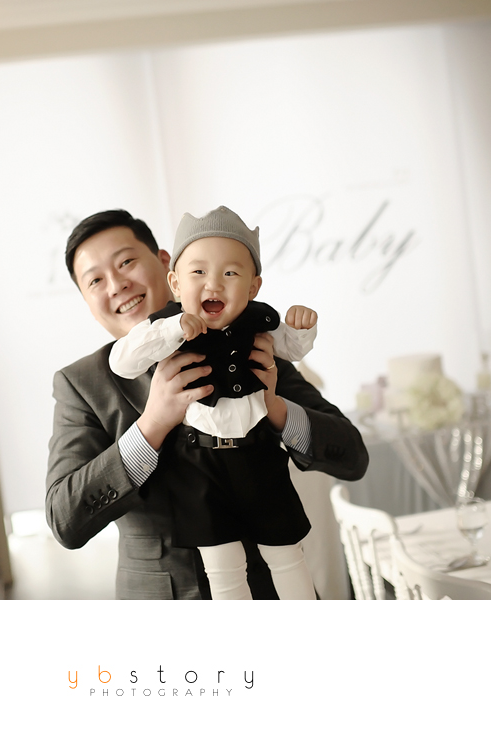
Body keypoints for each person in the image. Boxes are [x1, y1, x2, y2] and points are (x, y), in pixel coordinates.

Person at [46, 208, 368, 600]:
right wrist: (151, 427)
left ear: (166, 264)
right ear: (87, 300)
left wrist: (274, 406)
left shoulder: (249, 342)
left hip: (268, 590)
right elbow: (64, 520)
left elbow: (352, 457)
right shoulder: (81, 383)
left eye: (126, 262)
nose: (117, 285)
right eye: (95, 280)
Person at [108, 206, 319, 599]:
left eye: (231, 274)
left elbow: (292, 348)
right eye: (198, 272)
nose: (214, 284)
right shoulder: (166, 327)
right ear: (175, 283)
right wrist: (171, 330)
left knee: (287, 553)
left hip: (260, 456)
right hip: (200, 465)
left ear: (253, 287)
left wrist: (301, 328)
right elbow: (122, 362)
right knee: (223, 568)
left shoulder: (260, 322)